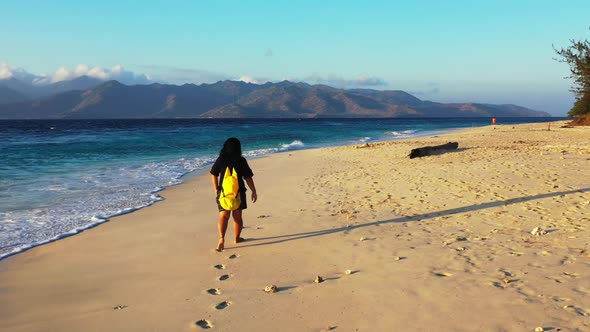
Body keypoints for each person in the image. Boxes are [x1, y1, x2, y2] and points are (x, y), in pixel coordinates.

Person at [210, 137, 257, 252]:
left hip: (224, 193)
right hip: (239, 193)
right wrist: (253, 191)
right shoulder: (241, 160)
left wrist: (216, 188)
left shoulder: (221, 159)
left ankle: (221, 239)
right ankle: (237, 238)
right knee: (237, 218)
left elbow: (213, 174)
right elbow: (248, 177)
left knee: (224, 216)